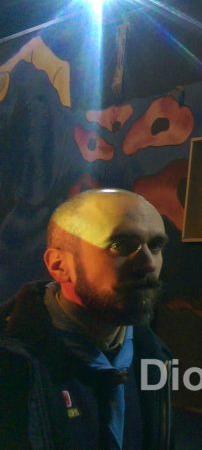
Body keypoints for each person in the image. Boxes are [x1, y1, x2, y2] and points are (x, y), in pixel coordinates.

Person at [0, 188, 173, 449]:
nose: (149, 263)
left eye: (156, 245)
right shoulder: (11, 363)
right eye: (121, 245)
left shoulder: (153, 354)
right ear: (59, 265)